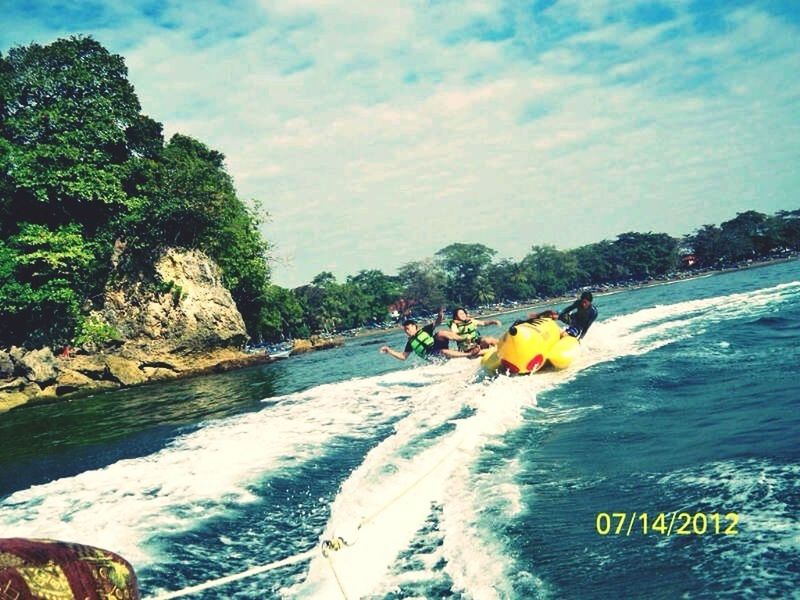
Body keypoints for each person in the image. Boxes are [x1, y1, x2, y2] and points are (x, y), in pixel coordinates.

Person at [379, 309, 480, 361]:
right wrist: (389, 350)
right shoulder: (410, 342)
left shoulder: (425, 330)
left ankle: (465, 339)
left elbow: (438, 323)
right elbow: (403, 357)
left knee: (441, 333)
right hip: (433, 356)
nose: (407, 331)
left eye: (408, 329)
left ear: (415, 327)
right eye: (405, 330)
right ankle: (469, 354)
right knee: (443, 351)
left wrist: (440, 315)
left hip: (437, 346)